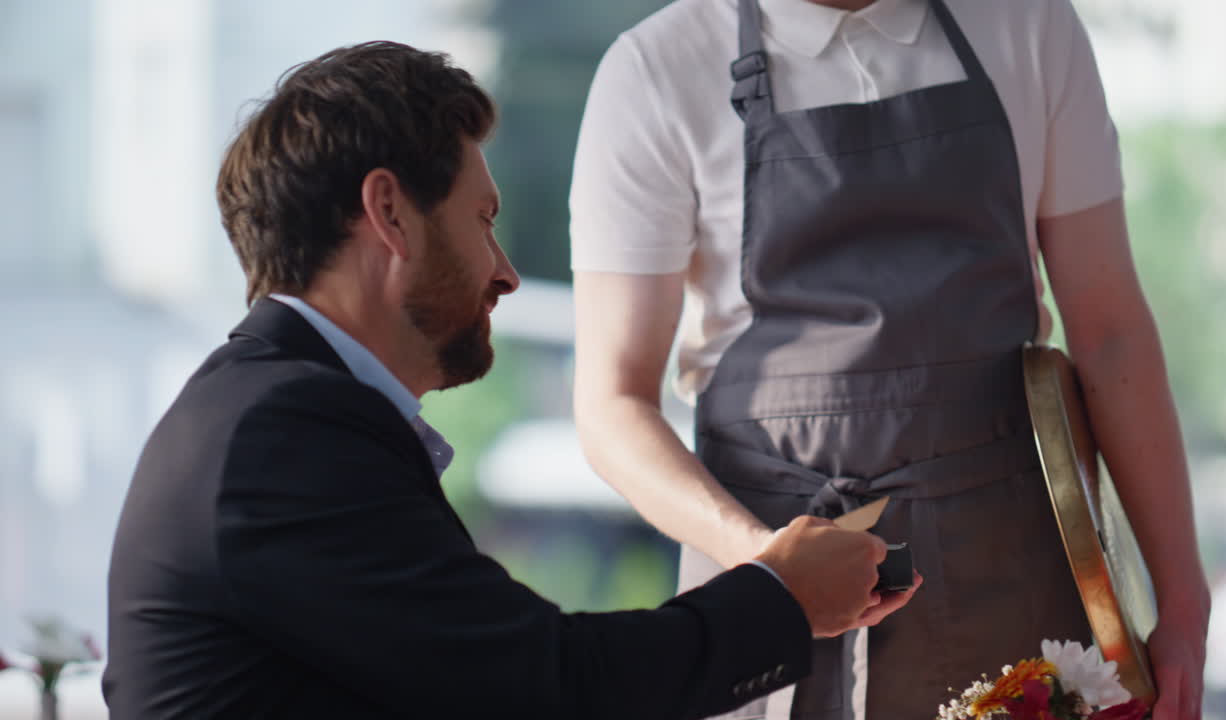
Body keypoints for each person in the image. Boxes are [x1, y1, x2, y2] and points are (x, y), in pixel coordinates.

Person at [102, 42, 917, 719]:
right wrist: (780, 598)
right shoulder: (283, 431)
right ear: (388, 213)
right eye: (483, 220)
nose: (506, 274)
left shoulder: (269, 410)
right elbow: (535, 685)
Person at [569, 0, 1209, 718]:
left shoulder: (1028, 24)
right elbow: (611, 403)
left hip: (1012, 573)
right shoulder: (655, 69)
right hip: (771, 594)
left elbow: (1110, 333)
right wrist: (768, 564)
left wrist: (1183, 599)